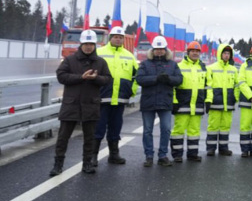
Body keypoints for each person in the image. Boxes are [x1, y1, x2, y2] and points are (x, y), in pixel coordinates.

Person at [50, 29, 112, 176]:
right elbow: (61, 76)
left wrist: (96, 79)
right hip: (71, 104)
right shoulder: (70, 60)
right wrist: (81, 77)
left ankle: (87, 163)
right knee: (63, 136)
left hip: (91, 103)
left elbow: (108, 80)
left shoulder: (100, 62)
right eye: (86, 44)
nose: (88, 47)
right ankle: (58, 164)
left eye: (91, 44)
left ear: (95, 45)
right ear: (81, 44)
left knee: (89, 137)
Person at [93, 26, 138, 167]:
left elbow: (135, 76)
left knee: (116, 127)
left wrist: (132, 91)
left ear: (123, 39)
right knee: (98, 128)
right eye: (115, 37)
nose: (118, 39)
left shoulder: (129, 56)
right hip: (101, 98)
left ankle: (114, 154)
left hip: (120, 98)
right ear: (110, 38)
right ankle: (92, 156)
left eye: (120, 37)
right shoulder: (99, 53)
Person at [136, 36, 183, 167]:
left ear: (166, 50)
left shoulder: (172, 64)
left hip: (165, 101)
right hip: (148, 102)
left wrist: (168, 79)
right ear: (152, 50)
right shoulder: (145, 64)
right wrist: (156, 79)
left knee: (166, 129)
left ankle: (162, 155)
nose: (159, 52)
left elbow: (179, 79)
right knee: (147, 130)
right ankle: (149, 156)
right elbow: (139, 79)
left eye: (161, 49)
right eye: (157, 49)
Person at [170, 41, 208, 162]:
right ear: (188, 52)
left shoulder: (203, 68)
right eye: (193, 51)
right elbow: (173, 87)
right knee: (178, 130)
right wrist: (174, 101)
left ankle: (192, 154)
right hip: (182, 104)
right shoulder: (179, 66)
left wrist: (208, 101)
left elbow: (208, 86)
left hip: (197, 105)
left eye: (197, 51)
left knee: (194, 131)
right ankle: (177, 155)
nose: (195, 53)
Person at [205, 44, 239, 156]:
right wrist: (209, 100)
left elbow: (237, 86)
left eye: (228, 53)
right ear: (220, 54)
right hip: (215, 103)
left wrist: (236, 99)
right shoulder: (211, 68)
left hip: (228, 104)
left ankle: (223, 148)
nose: (226, 55)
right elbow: (208, 86)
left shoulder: (233, 69)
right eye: (224, 53)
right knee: (213, 127)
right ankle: (210, 148)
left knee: (225, 127)